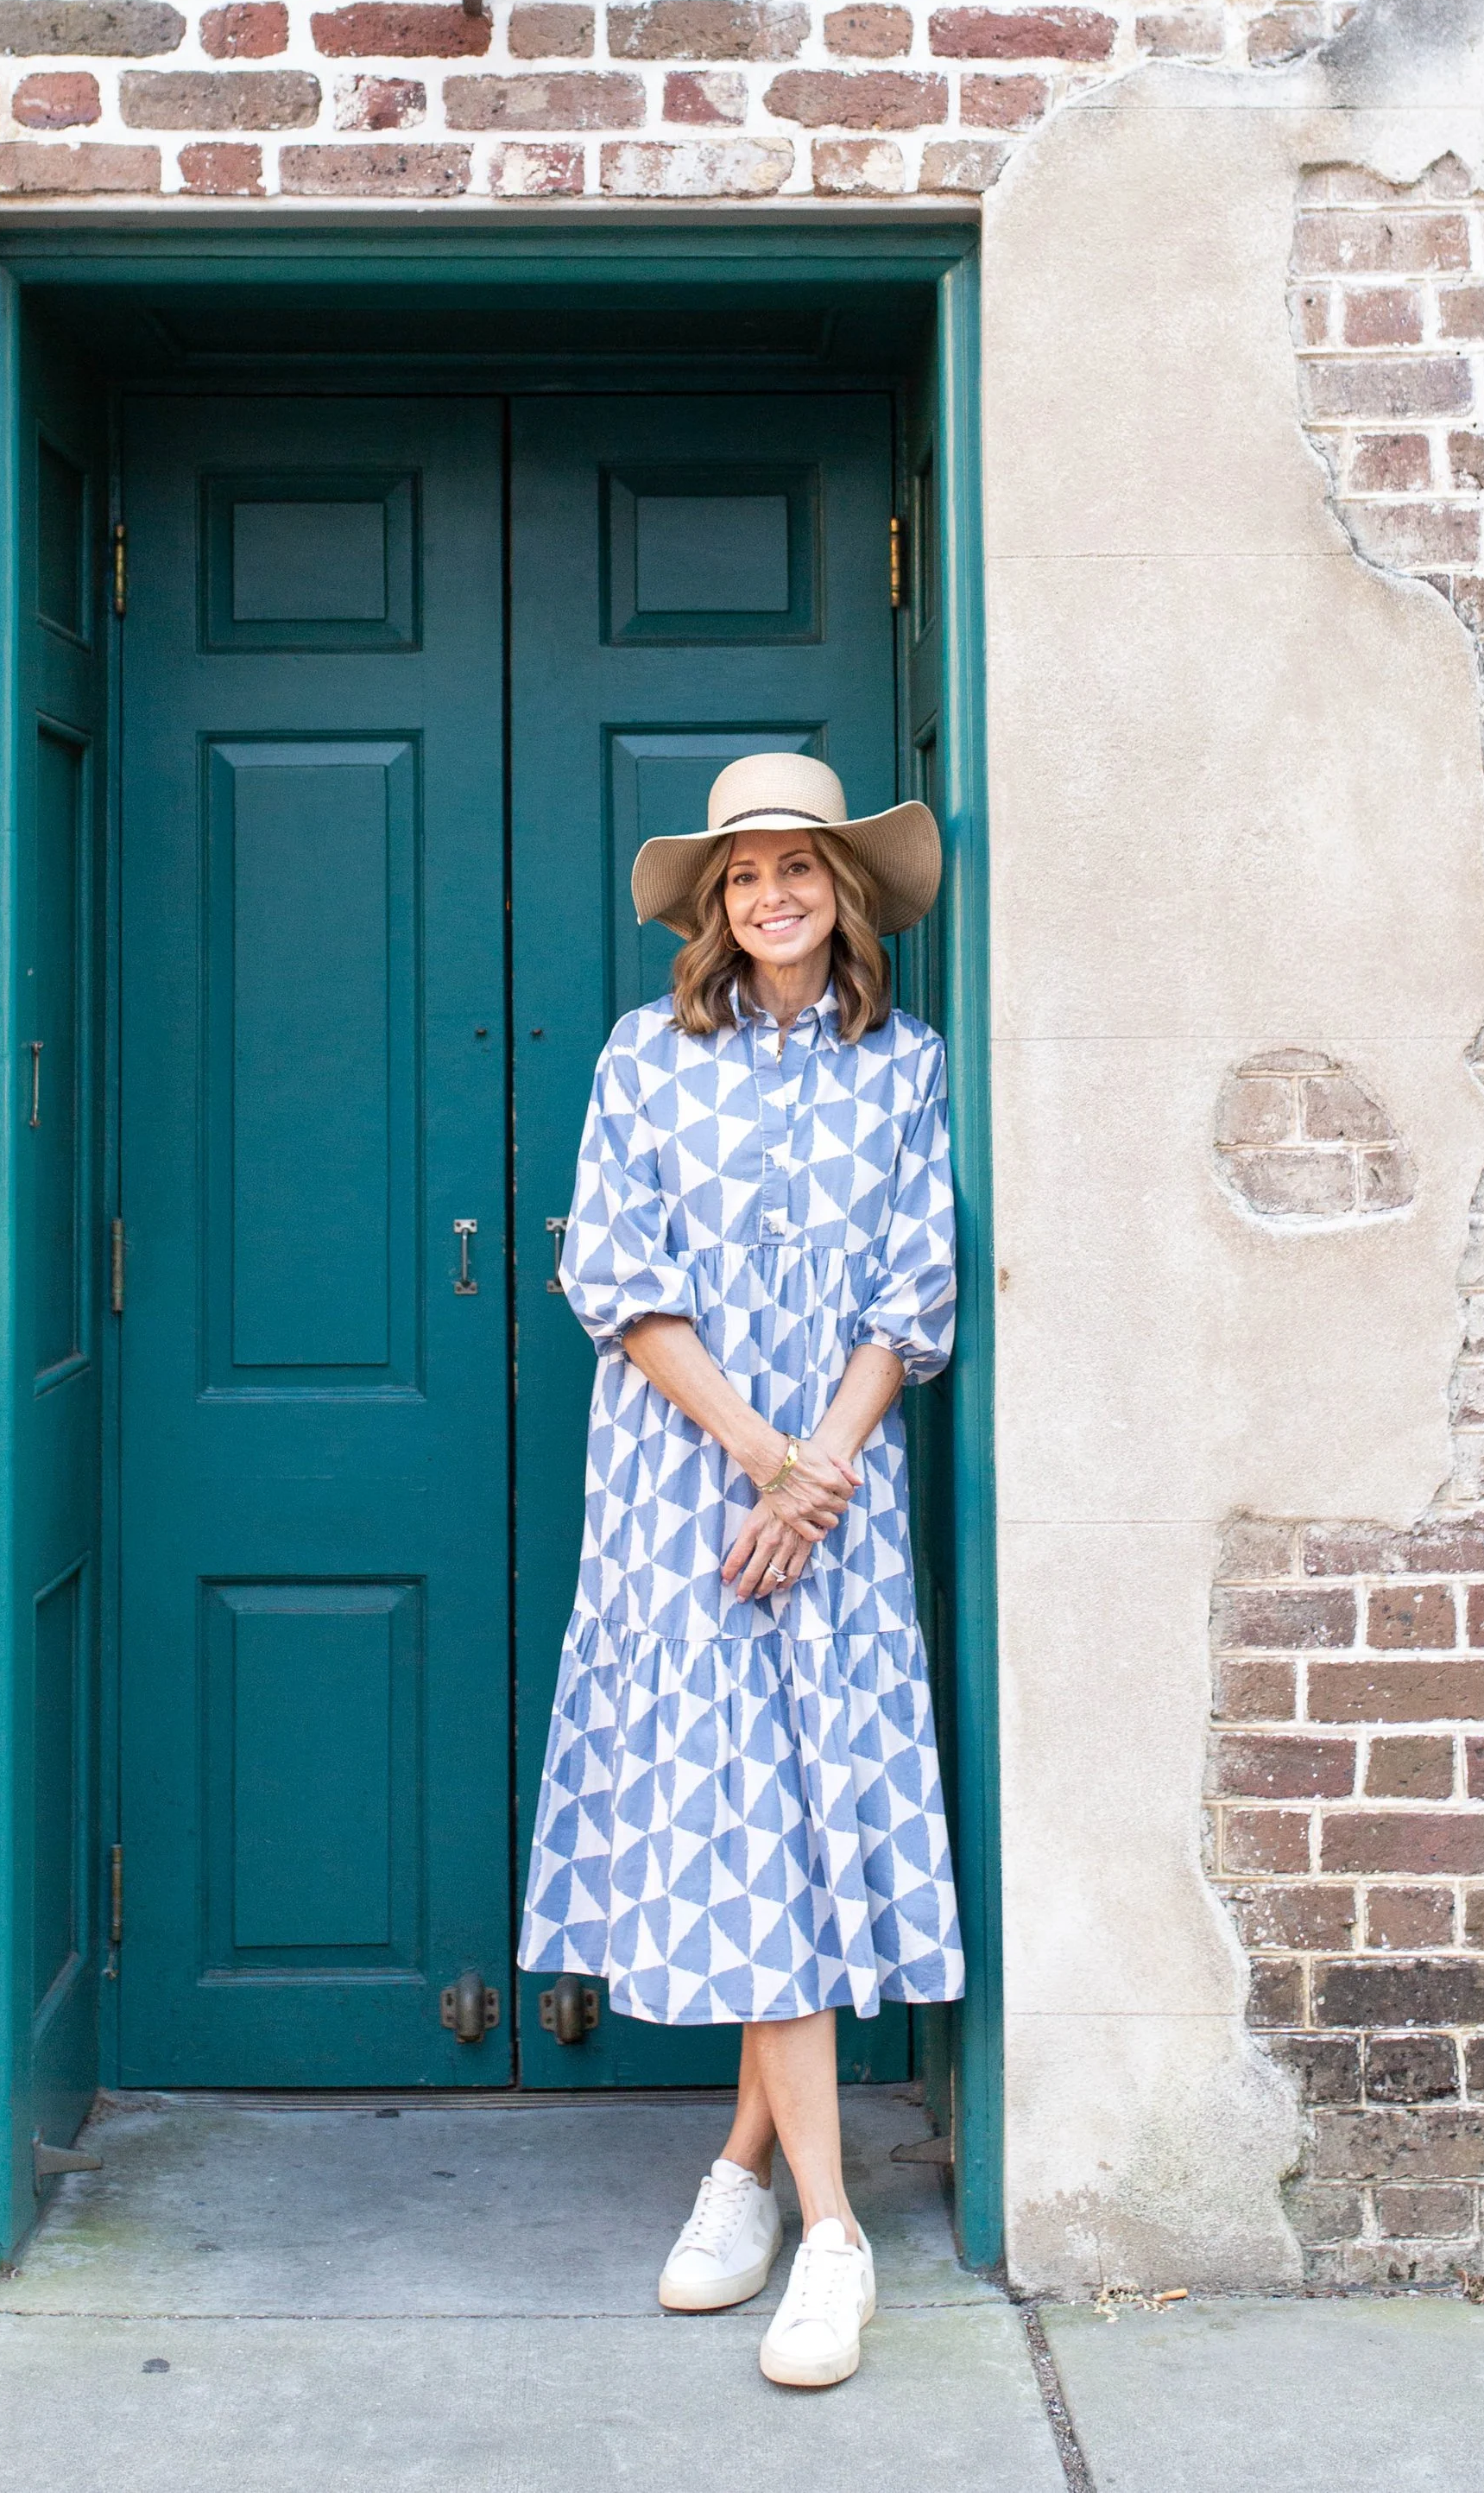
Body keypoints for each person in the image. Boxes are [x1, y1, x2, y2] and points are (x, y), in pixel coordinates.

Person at [519, 752, 964, 2391]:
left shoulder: (903, 1063)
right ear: (715, 904)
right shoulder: (651, 1055)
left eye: (800, 868)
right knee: (742, 1815)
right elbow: (619, 1279)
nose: (773, 894)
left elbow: (912, 1295)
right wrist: (758, 1458)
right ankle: (815, 2220)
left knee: (803, 1813)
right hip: (680, 1489)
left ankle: (768, 2191)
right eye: (745, 873)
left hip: (832, 1499)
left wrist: (820, 1472)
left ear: (846, 890)